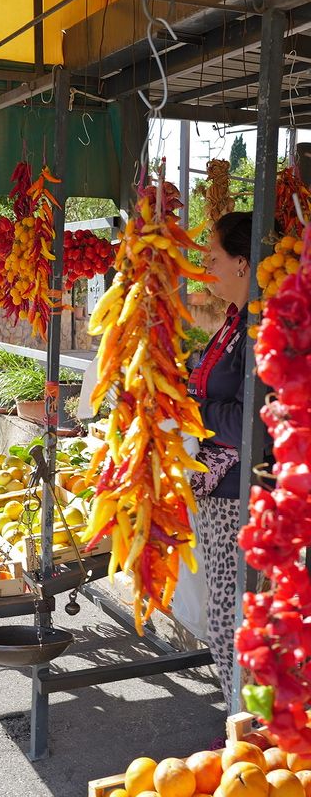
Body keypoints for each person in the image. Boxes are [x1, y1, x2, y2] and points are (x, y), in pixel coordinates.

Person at [187, 211, 254, 711]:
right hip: (217, 493)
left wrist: (192, 410)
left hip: (240, 500)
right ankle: (241, 726)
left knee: (235, 620)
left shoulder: (256, 332)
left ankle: (247, 735)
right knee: (222, 615)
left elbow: (251, 422)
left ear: (243, 263)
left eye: (214, 256)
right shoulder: (232, 323)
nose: (206, 264)